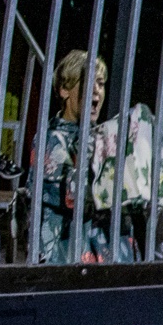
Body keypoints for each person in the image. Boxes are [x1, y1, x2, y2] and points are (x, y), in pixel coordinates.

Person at [39, 50, 115, 264]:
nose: (97, 90)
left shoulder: (104, 137)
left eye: (101, 83)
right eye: (89, 82)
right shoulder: (50, 139)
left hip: (102, 256)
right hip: (66, 259)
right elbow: (71, 197)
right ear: (64, 90)